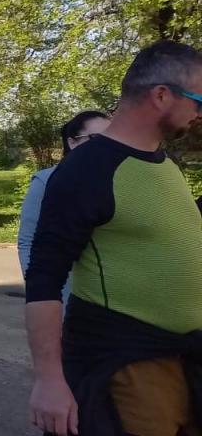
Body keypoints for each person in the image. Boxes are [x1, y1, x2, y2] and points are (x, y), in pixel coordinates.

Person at [25, 40, 202, 436]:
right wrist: (49, 380)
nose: (200, 113)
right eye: (198, 101)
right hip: (127, 365)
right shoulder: (86, 171)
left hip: (184, 360)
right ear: (161, 95)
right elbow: (43, 279)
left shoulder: (164, 165)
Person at [16, 110, 111, 303]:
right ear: (72, 142)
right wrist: (41, 293)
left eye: (111, 138)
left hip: (112, 297)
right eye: (97, 138)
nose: (106, 146)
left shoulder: (122, 181)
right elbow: (28, 242)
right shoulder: (46, 181)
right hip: (65, 294)